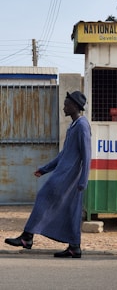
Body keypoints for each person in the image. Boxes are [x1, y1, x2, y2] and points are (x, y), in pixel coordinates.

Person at [5, 90, 92, 258]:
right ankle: (74, 247)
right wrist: (44, 169)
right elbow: (64, 154)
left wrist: (83, 180)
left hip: (69, 176)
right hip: (64, 172)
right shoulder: (73, 126)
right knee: (72, 210)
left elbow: (87, 155)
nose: (64, 107)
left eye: (66, 104)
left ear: (75, 106)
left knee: (43, 196)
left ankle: (27, 237)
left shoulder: (82, 125)